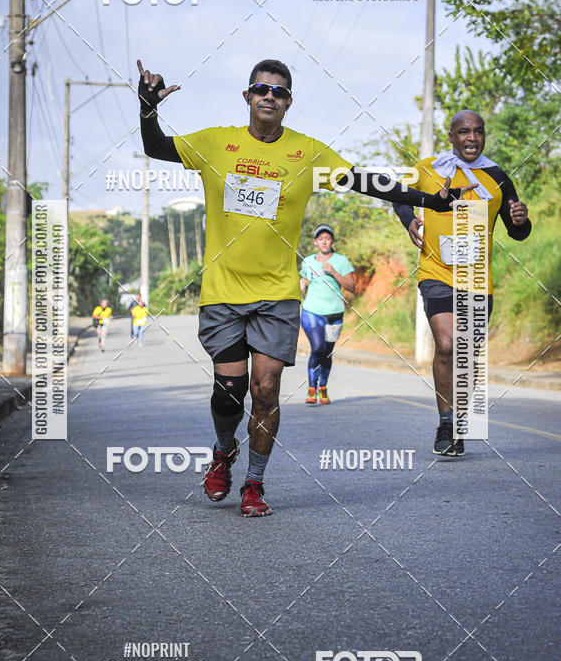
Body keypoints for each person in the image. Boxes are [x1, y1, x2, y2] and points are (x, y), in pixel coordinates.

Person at [137, 56, 475, 516]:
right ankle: (222, 451)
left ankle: (254, 484)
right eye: (261, 89)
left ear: (289, 101)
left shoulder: (308, 154)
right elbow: (157, 148)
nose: (269, 97)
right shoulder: (216, 144)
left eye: (278, 92)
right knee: (228, 393)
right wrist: (147, 107)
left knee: (268, 389)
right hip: (223, 292)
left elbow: (365, 182)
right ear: (248, 97)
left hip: (277, 293)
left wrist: (429, 199)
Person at [392, 109, 531, 457]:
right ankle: (445, 421)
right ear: (451, 137)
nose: (472, 137)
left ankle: (458, 424)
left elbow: (518, 232)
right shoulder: (427, 168)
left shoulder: (496, 177)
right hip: (436, 272)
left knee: (466, 356)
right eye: (464, 131)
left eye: (478, 131)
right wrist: (410, 220)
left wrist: (521, 219)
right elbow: (398, 195)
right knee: (446, 343)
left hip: (477, 279)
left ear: (484, 136)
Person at [299, 224, 354, 405]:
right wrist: (303, 282)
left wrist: (333, 272)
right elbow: (306, 277)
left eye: (327, 238)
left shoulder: (341, 261)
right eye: (320, 238)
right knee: (318, 348)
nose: (324, 241)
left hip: (334, 313)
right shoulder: (307, 261)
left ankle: (323, 388)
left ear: (332, 241)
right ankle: (311, 388)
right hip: (312, 311)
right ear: (315, 242)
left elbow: (351, 286)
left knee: (327, 352)